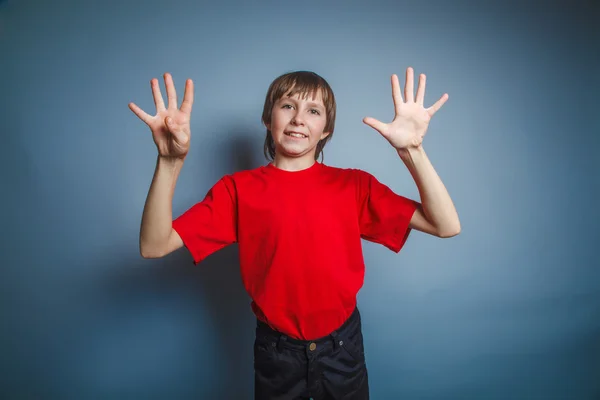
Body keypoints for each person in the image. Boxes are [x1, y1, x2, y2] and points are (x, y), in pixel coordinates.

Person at [128, 67, 460, 400]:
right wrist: (170, 161)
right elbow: (154, 245)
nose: (299, 118)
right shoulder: (237, 191)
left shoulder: (354, 185)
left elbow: (445, 225)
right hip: (277, 354)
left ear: (325, 129)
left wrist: (412, 151)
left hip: (343, 348)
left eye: (313, 111)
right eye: (288, 106)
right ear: (267, 118)